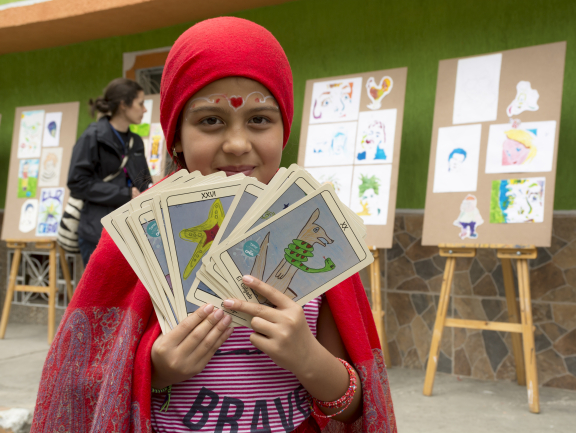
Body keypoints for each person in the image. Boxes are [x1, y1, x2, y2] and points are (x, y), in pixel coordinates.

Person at [33, 17, 395, 433]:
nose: (238, 143)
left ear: (284, 130)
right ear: (176, 138)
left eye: (260, 119)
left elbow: (354, 409)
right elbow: (85, 386)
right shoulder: (141, 237)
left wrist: (309, 360)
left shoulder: (312, 231)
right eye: (210, 121)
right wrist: (157, 368)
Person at [67, 78, 153, 266]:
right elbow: (77, 182)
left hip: (132, 233)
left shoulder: (136, 141)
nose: (145, 109)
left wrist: (151, 189)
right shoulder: (93, 136)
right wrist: (123, 194)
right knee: (99, 295)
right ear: (123, 105)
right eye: (140, 103)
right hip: (97, 233)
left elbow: (143, 178)